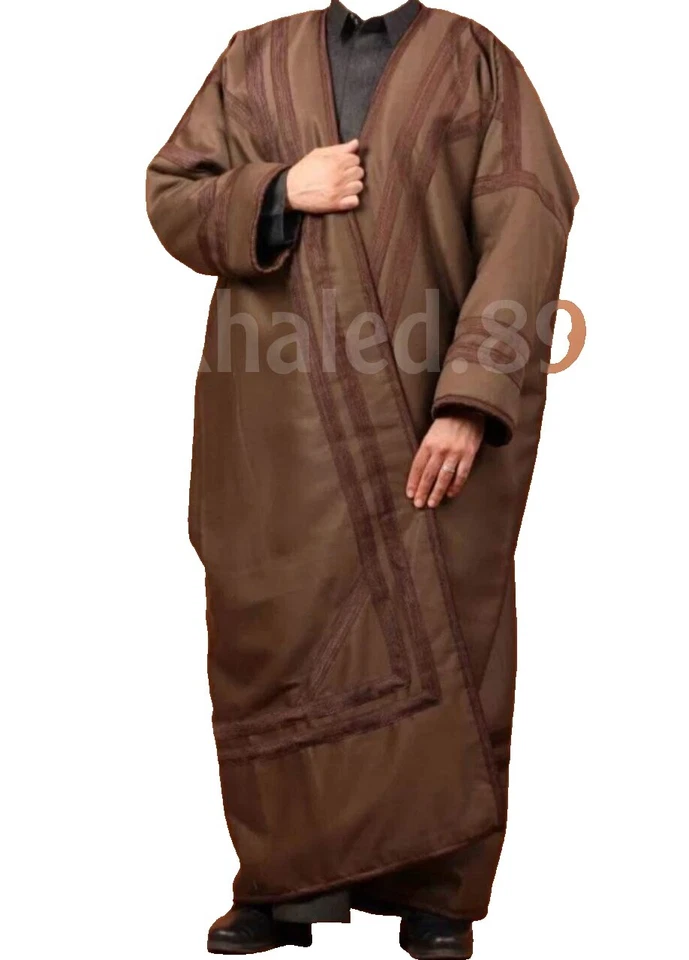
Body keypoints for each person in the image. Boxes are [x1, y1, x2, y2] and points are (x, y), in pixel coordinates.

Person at [145, 1, 579, 956]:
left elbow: (530, 222)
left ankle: (439, 894)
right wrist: (276, 189)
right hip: (275, 427)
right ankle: (279, 886)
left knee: (446, 629)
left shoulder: (477, 61)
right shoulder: (251, 58)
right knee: (274, 636)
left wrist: (471, 399)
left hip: (420, 414)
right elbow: (172, 193)